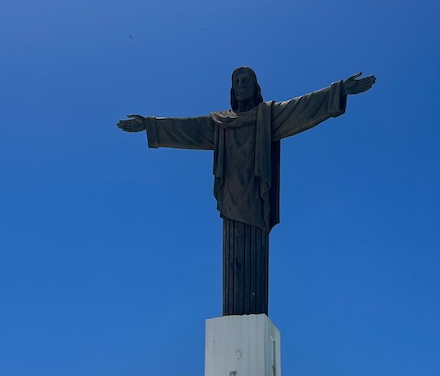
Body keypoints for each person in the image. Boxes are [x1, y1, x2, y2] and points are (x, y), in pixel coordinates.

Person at [117, 68, 375, 316]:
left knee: (254, 267)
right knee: (232, 262)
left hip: (256, 199)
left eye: (245, 80)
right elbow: (186, 129)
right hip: (230, 200)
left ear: (254, 87)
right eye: (236, 81)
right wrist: (150, 125)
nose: (240, 85)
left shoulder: (268, 116)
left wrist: (339, 90)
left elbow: (302, 107)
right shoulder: (219, 122)